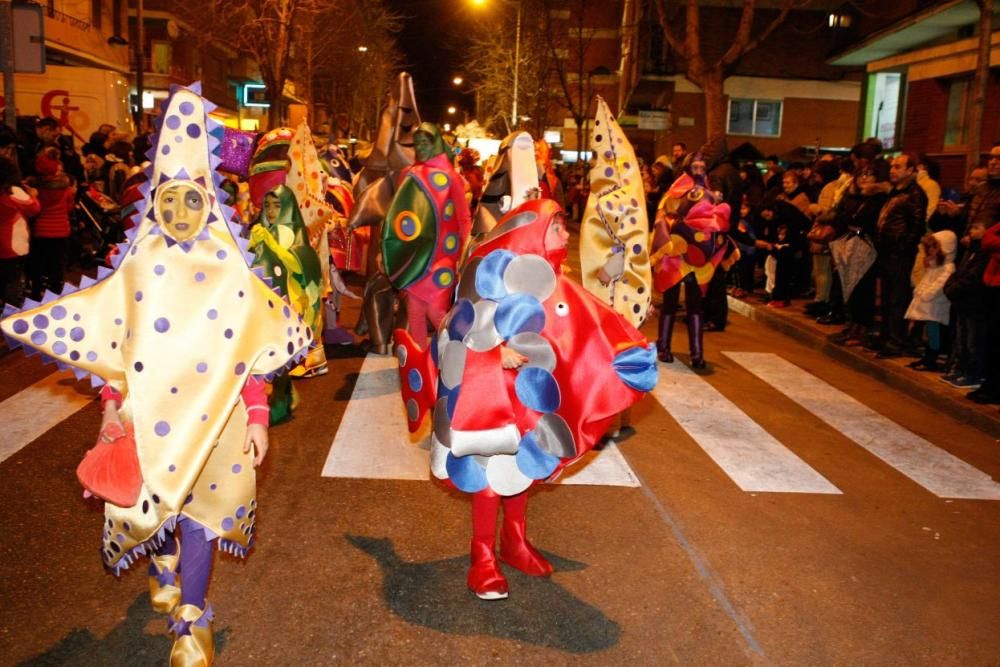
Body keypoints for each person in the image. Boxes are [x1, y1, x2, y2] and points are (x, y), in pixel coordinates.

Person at [0, 85, 309, 666]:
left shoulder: (233, 275)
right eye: (167, 200)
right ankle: (161, 560)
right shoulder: (136, 270)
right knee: (160, 504)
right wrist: (112, 412)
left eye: (191, 199)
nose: (179, 212)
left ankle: (191, 619)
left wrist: (260, 417)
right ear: (152, 204)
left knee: (201, 512)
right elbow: (116, 348)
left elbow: (251, 351)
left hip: (218, 422)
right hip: (149, 417)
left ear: (208, 203)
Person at [394, 198, 656, 600]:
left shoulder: (553, 278)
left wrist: (624, 350)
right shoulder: (490, 279)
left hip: (530, 397)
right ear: (534, 232)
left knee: (521, 472)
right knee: (487, 478)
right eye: (558, 227)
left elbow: (588, 326)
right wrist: (491, 355)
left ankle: (515, 543)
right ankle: (482, 556)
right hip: (489, 404)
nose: (566, 235)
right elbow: (455, 333)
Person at [381, 122, 471, 349]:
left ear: (436, 143)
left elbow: (463, 219)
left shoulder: (452, 177)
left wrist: (466, 251)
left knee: (436, 312)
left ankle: (460, 355)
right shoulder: (408, 174)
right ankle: (421, 365)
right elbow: (399, 216)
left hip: (443, 257)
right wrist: (392, 253)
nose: (420, 148)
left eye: (425, 143)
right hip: (416, 258)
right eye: (417, 143)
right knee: (415, 314)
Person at [650, 152, 731, 367]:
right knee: (670, 303)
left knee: (696, 306)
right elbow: (662, 219)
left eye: (702, 167)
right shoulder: (673, 194)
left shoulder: (710, 193)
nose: (698, 170)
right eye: (695, 167)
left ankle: (697, 353)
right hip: (675, 254)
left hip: (698, 258)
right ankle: (663, 347)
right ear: (688, 169)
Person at [871, 152, 927, 358]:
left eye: (898, 167)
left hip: (899, 255)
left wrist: (902, 246)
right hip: (886, 252)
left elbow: (917, 225)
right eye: (892, 166)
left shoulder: (915, 194)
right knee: (887, 297)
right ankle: (885, 336)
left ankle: (895, 341)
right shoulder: (895, 193)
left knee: (897, 298)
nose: (893, 170)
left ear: (910, 170)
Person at [941, 220, 990, 388]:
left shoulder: (985, 253)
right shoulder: (971, 250)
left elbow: (973, 277)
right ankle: (962, 369)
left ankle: (973, 374)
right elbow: (960, 272)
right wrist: (950, 286)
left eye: (977, 227)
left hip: (974, 302)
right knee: (962, 339)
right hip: (963, 301)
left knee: (973, 340)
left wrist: (954, 288)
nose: (971, 231)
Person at [904, 231, 956, 371]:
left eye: (934, 247)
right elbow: (926, 281)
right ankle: (927, 357)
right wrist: (919, 292)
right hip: (929, 307)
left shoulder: (947, 268)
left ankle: (931, 359)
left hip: (936, 308)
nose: (930, 251)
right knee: (928, 334)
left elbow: (938, 286)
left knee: (934, 335)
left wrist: (925, 295)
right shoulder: (935, 266)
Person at [26, 147, 75, 299]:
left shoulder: (35, 189)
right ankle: (55, 292)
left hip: (40, 231)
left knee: (38, 264)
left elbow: (33, 210)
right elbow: (69, 207)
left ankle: (36, 292)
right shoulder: (65, 189)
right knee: (58, 265)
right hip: (61, 231)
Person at [0, 156, 39, 307]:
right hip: (11, 247)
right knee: (12, 283)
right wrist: (33, 195)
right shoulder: (11, 193)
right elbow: (33, 208)